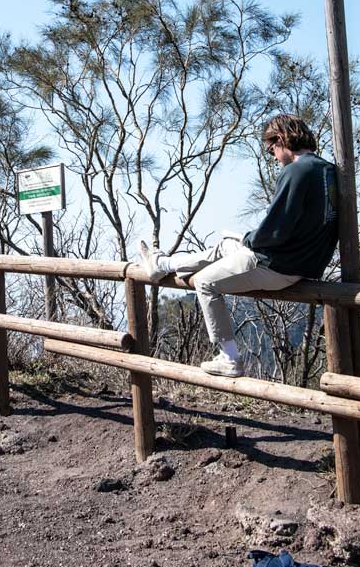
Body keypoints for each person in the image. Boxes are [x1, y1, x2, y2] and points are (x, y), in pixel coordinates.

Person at [139, 114, 339, 378]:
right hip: (305, 263)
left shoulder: (296, 171)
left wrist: (249, 238)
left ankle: (230, 358)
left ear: (280, 140)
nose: (275, 158)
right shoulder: (329, 171)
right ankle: (161, 264)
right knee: (224, 245)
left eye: (271, 151)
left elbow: (275, 229)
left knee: (205, 282)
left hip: (276, 265)